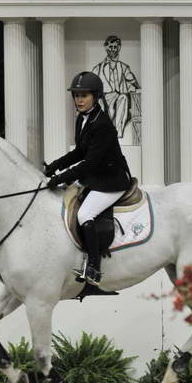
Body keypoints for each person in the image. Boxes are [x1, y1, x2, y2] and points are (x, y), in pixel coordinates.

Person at [44, 71, 132, 286]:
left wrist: (60, 178)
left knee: (85, 214)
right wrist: (53, 167)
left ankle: (94, 266)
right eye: (76, 95)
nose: (79, 100)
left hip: (112, 180)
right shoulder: (82, 120)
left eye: (84, 95)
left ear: (96, 96)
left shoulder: (102, 124)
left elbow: (89, 163)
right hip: (96, 176)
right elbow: (79, 152)